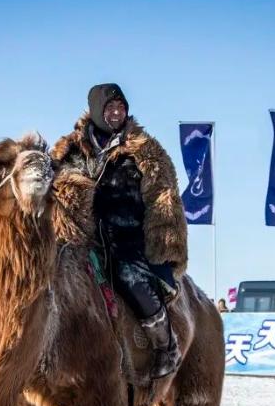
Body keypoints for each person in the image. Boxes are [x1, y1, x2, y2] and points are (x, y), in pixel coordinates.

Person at [52, 83, 188, 378]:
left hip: (128, 238)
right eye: (110, 108)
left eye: (121, 108)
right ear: (96, 111)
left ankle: (166, 345)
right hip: (81, 238)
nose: (116, 113)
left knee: (130, 278)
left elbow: (163, 195)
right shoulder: (68, 151)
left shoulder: (144, 149)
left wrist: (165, 241)